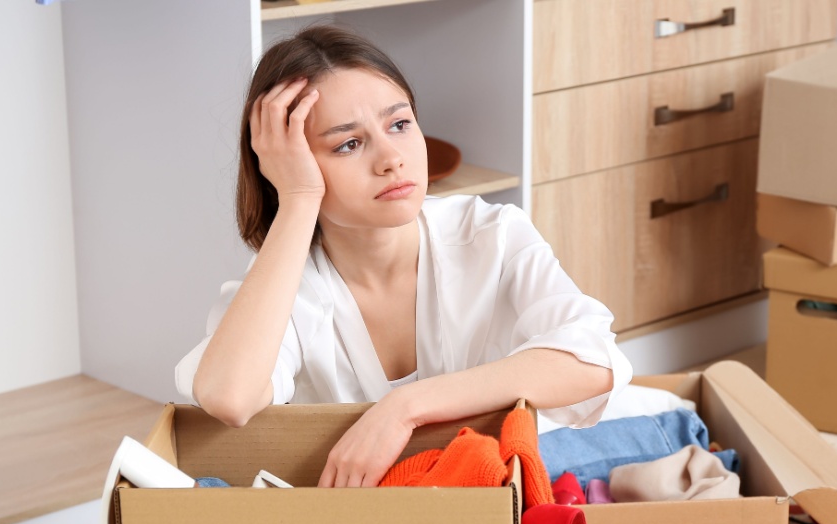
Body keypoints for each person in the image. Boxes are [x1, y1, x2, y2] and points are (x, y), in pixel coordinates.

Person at [175, 25, 631, 489]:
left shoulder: (490, 233)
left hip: (487, 494)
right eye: (348, 144)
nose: (391, 158)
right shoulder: (286, 281)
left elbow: (596, 360)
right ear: (288, 165)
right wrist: (297, 198)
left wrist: (406, 407)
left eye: (399, 124)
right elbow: (229, 398)